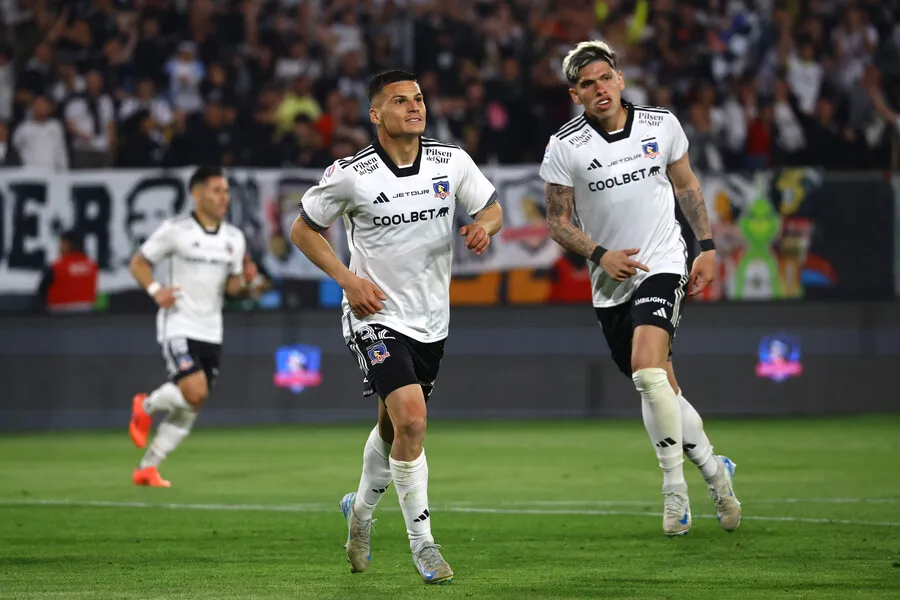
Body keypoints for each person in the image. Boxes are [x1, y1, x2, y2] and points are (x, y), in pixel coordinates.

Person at [290, 70, 503, 584]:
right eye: (400, 100)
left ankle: (360, 512)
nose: (414, 107)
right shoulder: (352, 174)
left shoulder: (451, 161)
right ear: (375, 114)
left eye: (419, 98)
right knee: (412, 418)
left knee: (393, 428)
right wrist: (348, 281)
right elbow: (302, 228)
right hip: (374, 315)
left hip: (431, 320)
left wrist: (483, 226)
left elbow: (493, 208)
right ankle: (423, 545)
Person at [539, 41, 742, 537]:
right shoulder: (564, 146)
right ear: (575, 94)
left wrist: (707, 246)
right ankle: (716, 472)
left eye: (605, 77)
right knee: (661, 388)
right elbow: (557, 222)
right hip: (610, 282)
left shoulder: (660, 124)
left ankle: (674, 491)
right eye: (587, 84)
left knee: (648, 372)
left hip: (663, 262)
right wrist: (601, 255)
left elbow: (687, 185)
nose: (599, 89)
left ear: (620, 79)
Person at [127, 166, 262, 487]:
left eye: (226, 191)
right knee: (194, 391)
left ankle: (148, 467)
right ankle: (146, 405)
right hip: (179, 322)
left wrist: (247, 283)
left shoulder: (234, 238)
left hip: (212, 328)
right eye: (216, 190)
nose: (224, 197)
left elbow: (232, 288)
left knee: (193, 403)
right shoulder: (176, 230)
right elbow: (139, 262)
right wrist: (155, 290)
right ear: (196, 193)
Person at [36, 229, 98, 313]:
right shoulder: (92, 267)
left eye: (62, 243)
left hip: (59, 317)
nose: (59, 247)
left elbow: (41, 293)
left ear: (68, 245)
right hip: (87, 317)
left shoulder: (56, 268)